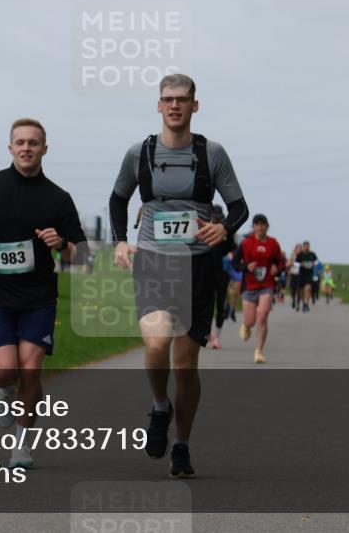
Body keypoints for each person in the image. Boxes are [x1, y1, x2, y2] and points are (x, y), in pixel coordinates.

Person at [109, 74, 248, 478]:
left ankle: (182, 445)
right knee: (154, 345)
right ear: (158, 106)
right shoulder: (140, 153)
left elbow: (238, 206)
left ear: (194, 106)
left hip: (199, 265)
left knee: (186, 365)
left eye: (182, 100)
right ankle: (159, 406)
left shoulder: (212, 153)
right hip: (153, 259)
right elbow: (118, 198)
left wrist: (224, 229)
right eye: (167, 99)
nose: (174, 106)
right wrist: (120, 241)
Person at [0, 118, 88, 470]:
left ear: (45, 149)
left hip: (38, 299)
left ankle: (22, 446)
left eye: (34, 142)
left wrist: (62, 246)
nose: (26, 148)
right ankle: (4, 390)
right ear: (10, 147)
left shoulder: (58, 198)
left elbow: (82, 255)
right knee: (3, 372)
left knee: (31, 371)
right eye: (20, 142)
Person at [235, 215, 285, 364]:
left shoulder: (273, 243)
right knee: (250, 321)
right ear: (253, 227)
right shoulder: (246, 243)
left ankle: (259, 351)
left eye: (263, 224)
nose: (260, 227)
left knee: (262, 316)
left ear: (267, 226)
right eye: (257, 224)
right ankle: (246, 325)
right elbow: (235, 263)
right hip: (249, 286)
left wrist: (277, 269)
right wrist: (246, 267)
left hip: (267, 285)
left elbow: (281, 263)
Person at [208, 205, 237, 349]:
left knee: (220, 304)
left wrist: (232, 254)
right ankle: (207, 333)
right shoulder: (204, 229)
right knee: (205, 304)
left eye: (219, 218)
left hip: (222, 272)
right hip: (206, 271)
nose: (217, 220)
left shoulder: (227, 232)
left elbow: (234, 248)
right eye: (215, 217)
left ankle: (217, 337)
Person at [295, 241, 319, 313]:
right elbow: (295, 264)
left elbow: (317, 262)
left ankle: (306, 303)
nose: (307, 247)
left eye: (308, 246)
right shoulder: (300, 255)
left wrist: (313, 263)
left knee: (308, 289)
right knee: (301, 291)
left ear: (309, 246)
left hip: (309, 274)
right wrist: (300, 264)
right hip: (302, 274)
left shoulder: (312, 254)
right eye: (305, 246)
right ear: (303, 247)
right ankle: (304, 302)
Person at [288, 243, 302, 310]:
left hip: (300, 275)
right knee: (293, 290)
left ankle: (298, 305)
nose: (299, 250)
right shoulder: (292, 256)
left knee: (299, 290)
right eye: (298, 248)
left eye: (300, 248)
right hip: (293, 274)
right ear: (295, 249)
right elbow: (288, 264)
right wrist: (292, 263)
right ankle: (293, 300)